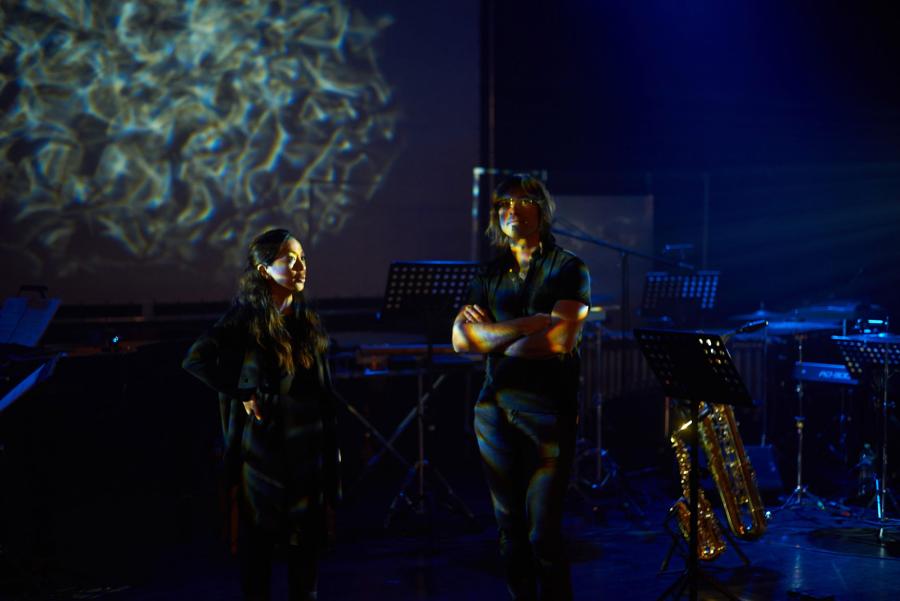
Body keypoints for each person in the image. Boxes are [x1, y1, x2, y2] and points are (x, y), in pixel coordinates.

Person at [452, 174, 590, 601]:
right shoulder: (490, 273)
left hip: (548, 413)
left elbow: (559, 340)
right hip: (493, 412)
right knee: (508, 528)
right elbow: (460, 341)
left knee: (542, 533)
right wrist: (526, 326)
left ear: (541, 209)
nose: (510, 210)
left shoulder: (568, 269)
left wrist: (494, 338)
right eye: (502, 204)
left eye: (520, 201)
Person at [183, 228, 340, 601]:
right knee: (260, 549)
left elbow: (323, 390)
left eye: (302, 257)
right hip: (265, 452)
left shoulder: (306, 319)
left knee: (306, 551)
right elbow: (195, 359)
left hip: (307, 447)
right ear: (264, 269)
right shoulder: (244, 319)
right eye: (290, 259)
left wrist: (332, 445)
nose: (301, 266)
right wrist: (242, 391)